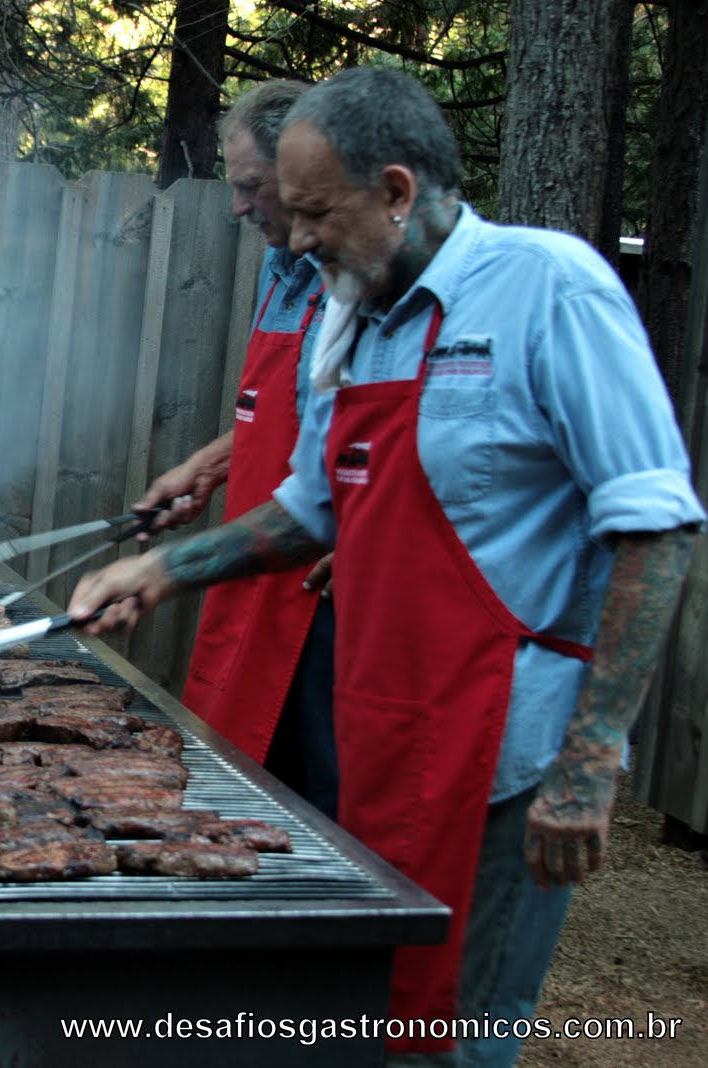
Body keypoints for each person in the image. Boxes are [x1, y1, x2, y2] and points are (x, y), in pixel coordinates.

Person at [68, 66, 702, 1067]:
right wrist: (165, 571)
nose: (299, 236)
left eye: (318, 211)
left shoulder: (550, 288)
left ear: (398, 191)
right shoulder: (348, 315)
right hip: (378, 727)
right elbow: (310, 513)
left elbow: (654, 528)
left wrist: (589, 761)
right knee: (376, 1019)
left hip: (507, 752)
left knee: (453, 1035)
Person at [135, 79, 338, 819]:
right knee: (224, 782)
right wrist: (207, 468)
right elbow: (287, 419)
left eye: (253, 186)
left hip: (319, 598)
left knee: (312, 812)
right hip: (248, 567)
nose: (238, 207)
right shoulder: (278, 271)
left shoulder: (359, 281)